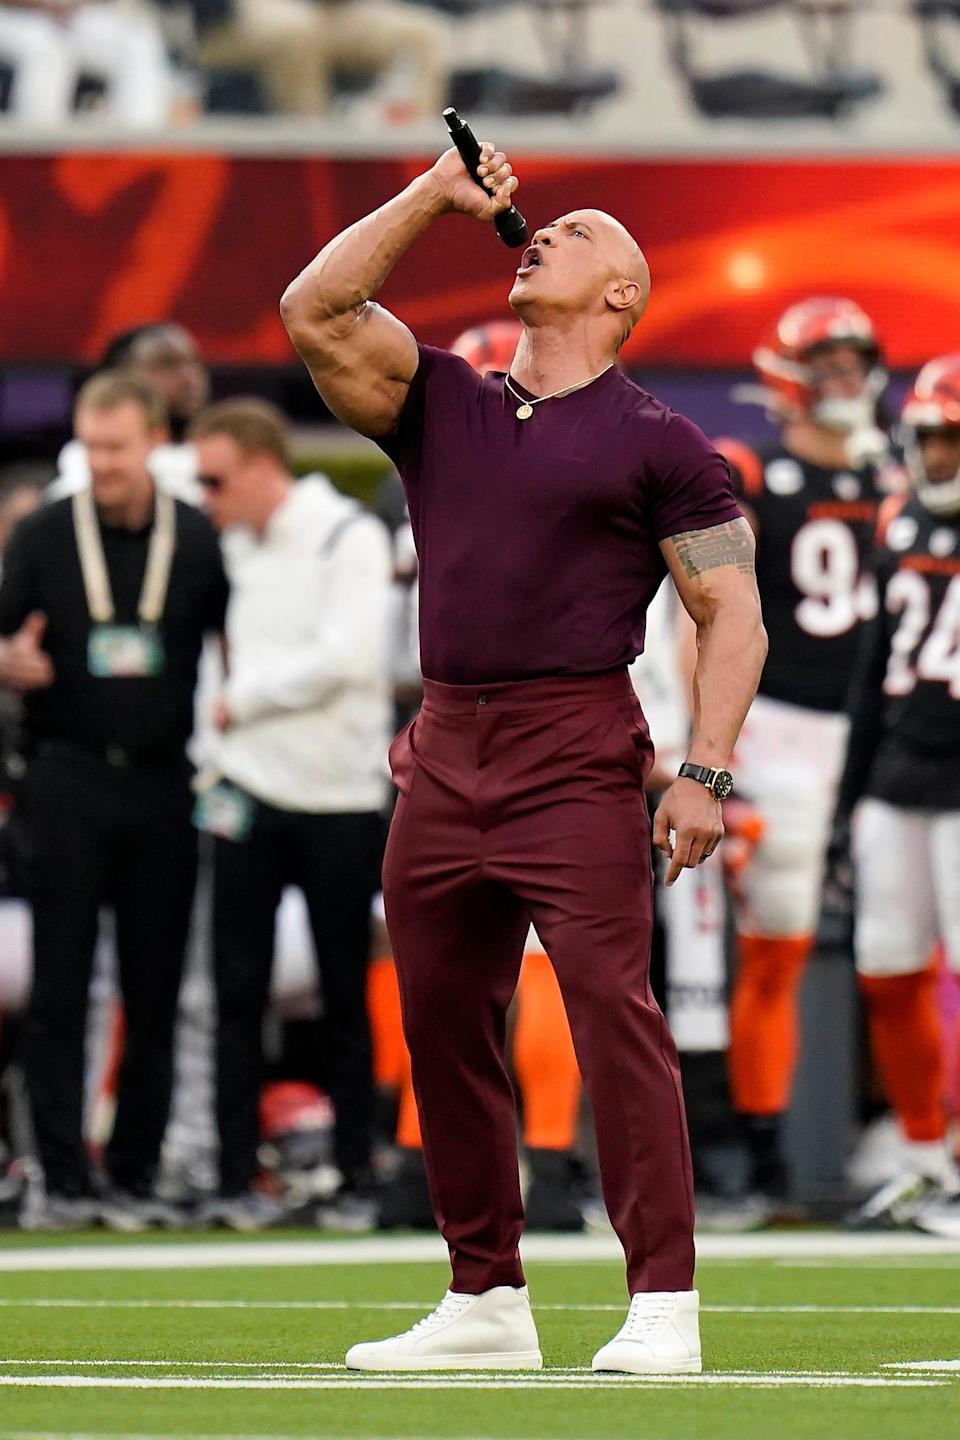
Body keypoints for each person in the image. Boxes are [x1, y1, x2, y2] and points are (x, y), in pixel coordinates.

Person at [281, 136, 766, 1373]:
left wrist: (706, 772)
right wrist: (433, 197)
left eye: (585, 233)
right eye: (551, 225)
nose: (548, 232)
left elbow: (733, 615)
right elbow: (316, 308)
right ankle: (485, 1296)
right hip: (444, 741)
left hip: (572, 743)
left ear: (622, 299)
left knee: (614, 1011)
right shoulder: (441, 396)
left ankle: (664, 1299)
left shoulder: (661, 441)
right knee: (438, 1017)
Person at [0, 372, 229, 1231]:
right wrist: (6, 661)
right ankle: (61, 1173)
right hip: (65, 776)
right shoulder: (45, 534)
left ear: (154, 447)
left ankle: (134, 1173)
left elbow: (232, 638)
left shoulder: (200, 539)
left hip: (165, 783)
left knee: (156, 986)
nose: (102, 466)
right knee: (60, 984)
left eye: (118, 450)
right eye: (91, 449)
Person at [188, 398, 392, 1231]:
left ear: (263, 465)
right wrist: (217, 737)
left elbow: (348, 657)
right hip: (246, 791)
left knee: (346, 996)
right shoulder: (232, 546)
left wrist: (243, 699)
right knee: (235, 994)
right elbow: (217, 657)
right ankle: (235, 1176)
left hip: (339, 797)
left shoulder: (350, 535)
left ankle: (353, 1174)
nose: (205, 495)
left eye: (216, 478)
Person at [715, 298, 899, 1218]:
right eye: (824, 363)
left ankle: (916, 1141)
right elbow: (704, 609)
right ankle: (767, 1160)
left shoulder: (906, 474)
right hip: (781, 732)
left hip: (889, 741)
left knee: (915, 945)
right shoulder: (752, 473)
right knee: (775, 953)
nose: (844, 379)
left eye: (852, 361)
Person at [831, 355, 960, 1232]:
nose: (938, 454)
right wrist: (847, 797)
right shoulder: (896, 517)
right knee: (886, 969)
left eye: (951, 437)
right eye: (928, 437)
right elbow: (872, 667)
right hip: (896, 777)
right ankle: (922, 1152)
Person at [179, 0, 448, 121]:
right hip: (234, 16)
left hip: (325, 10)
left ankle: (418, 172)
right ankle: (313, 161)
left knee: (422, 35)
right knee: (297, 33)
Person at [53, 323, 210, 505]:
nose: (189, 377)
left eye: (194, 362)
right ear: (122, 375)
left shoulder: (224, 460)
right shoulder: (78, 474)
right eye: (167, 364)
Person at [0, 1, 172, 128]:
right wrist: (44, 6)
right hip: (12, 14)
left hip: (70, 13)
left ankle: (136, 148)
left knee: (139, 43)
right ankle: (38, 148)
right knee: (45, 47)